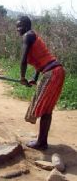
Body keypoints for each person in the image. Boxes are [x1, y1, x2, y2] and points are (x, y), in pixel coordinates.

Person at [16, 16, 65, 150]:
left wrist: (22, 77)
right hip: (54, 71)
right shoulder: (32, 36)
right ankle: (42, 141)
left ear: (26, 26)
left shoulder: (28, 35)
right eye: (17, 26)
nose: (17, 29)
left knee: (45, 109)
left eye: (19, 26)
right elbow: (41, 60)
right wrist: (34, 78)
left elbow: (24, 60)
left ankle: (41, 143)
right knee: (46, 108)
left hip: (52, 73)